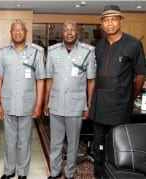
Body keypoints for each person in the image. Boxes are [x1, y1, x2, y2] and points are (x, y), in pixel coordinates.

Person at [89, 5, 146, 178]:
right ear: (102, 24)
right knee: (98, 146)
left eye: (114, 19)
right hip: (99, 107)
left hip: (120, 107)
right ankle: (99, 174)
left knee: (118, 147)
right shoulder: (99, 45)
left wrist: (129, 97)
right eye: (106, 20)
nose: (110, 23)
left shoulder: (134, 44)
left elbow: (139, 77)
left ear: (121, 21)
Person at [0, 19, 45, 179]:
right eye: (15, 29)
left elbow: (40, 80)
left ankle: (22, 172)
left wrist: (39, 104)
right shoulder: (2, 53)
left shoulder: (36, 52)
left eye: (21, 29)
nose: (18, 32)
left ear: (26, 32)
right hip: (8, 104)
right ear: (11, 33)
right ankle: (9, 171)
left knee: (25, 141)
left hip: (27, 105)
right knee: (9, 141)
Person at [44, 20, 96, 179]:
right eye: (66, 29)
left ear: (77, 32)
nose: (69, 32)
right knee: (56, 142)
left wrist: (88, 105)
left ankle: (70, 172)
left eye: (72, 29)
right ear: (62, 32)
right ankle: (55, 171)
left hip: (76, 105)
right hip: (56, 103)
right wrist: (46, 102)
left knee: (73, 143)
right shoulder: (52, 52)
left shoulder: (88, 51)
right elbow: (49, 79)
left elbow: (91, 80)